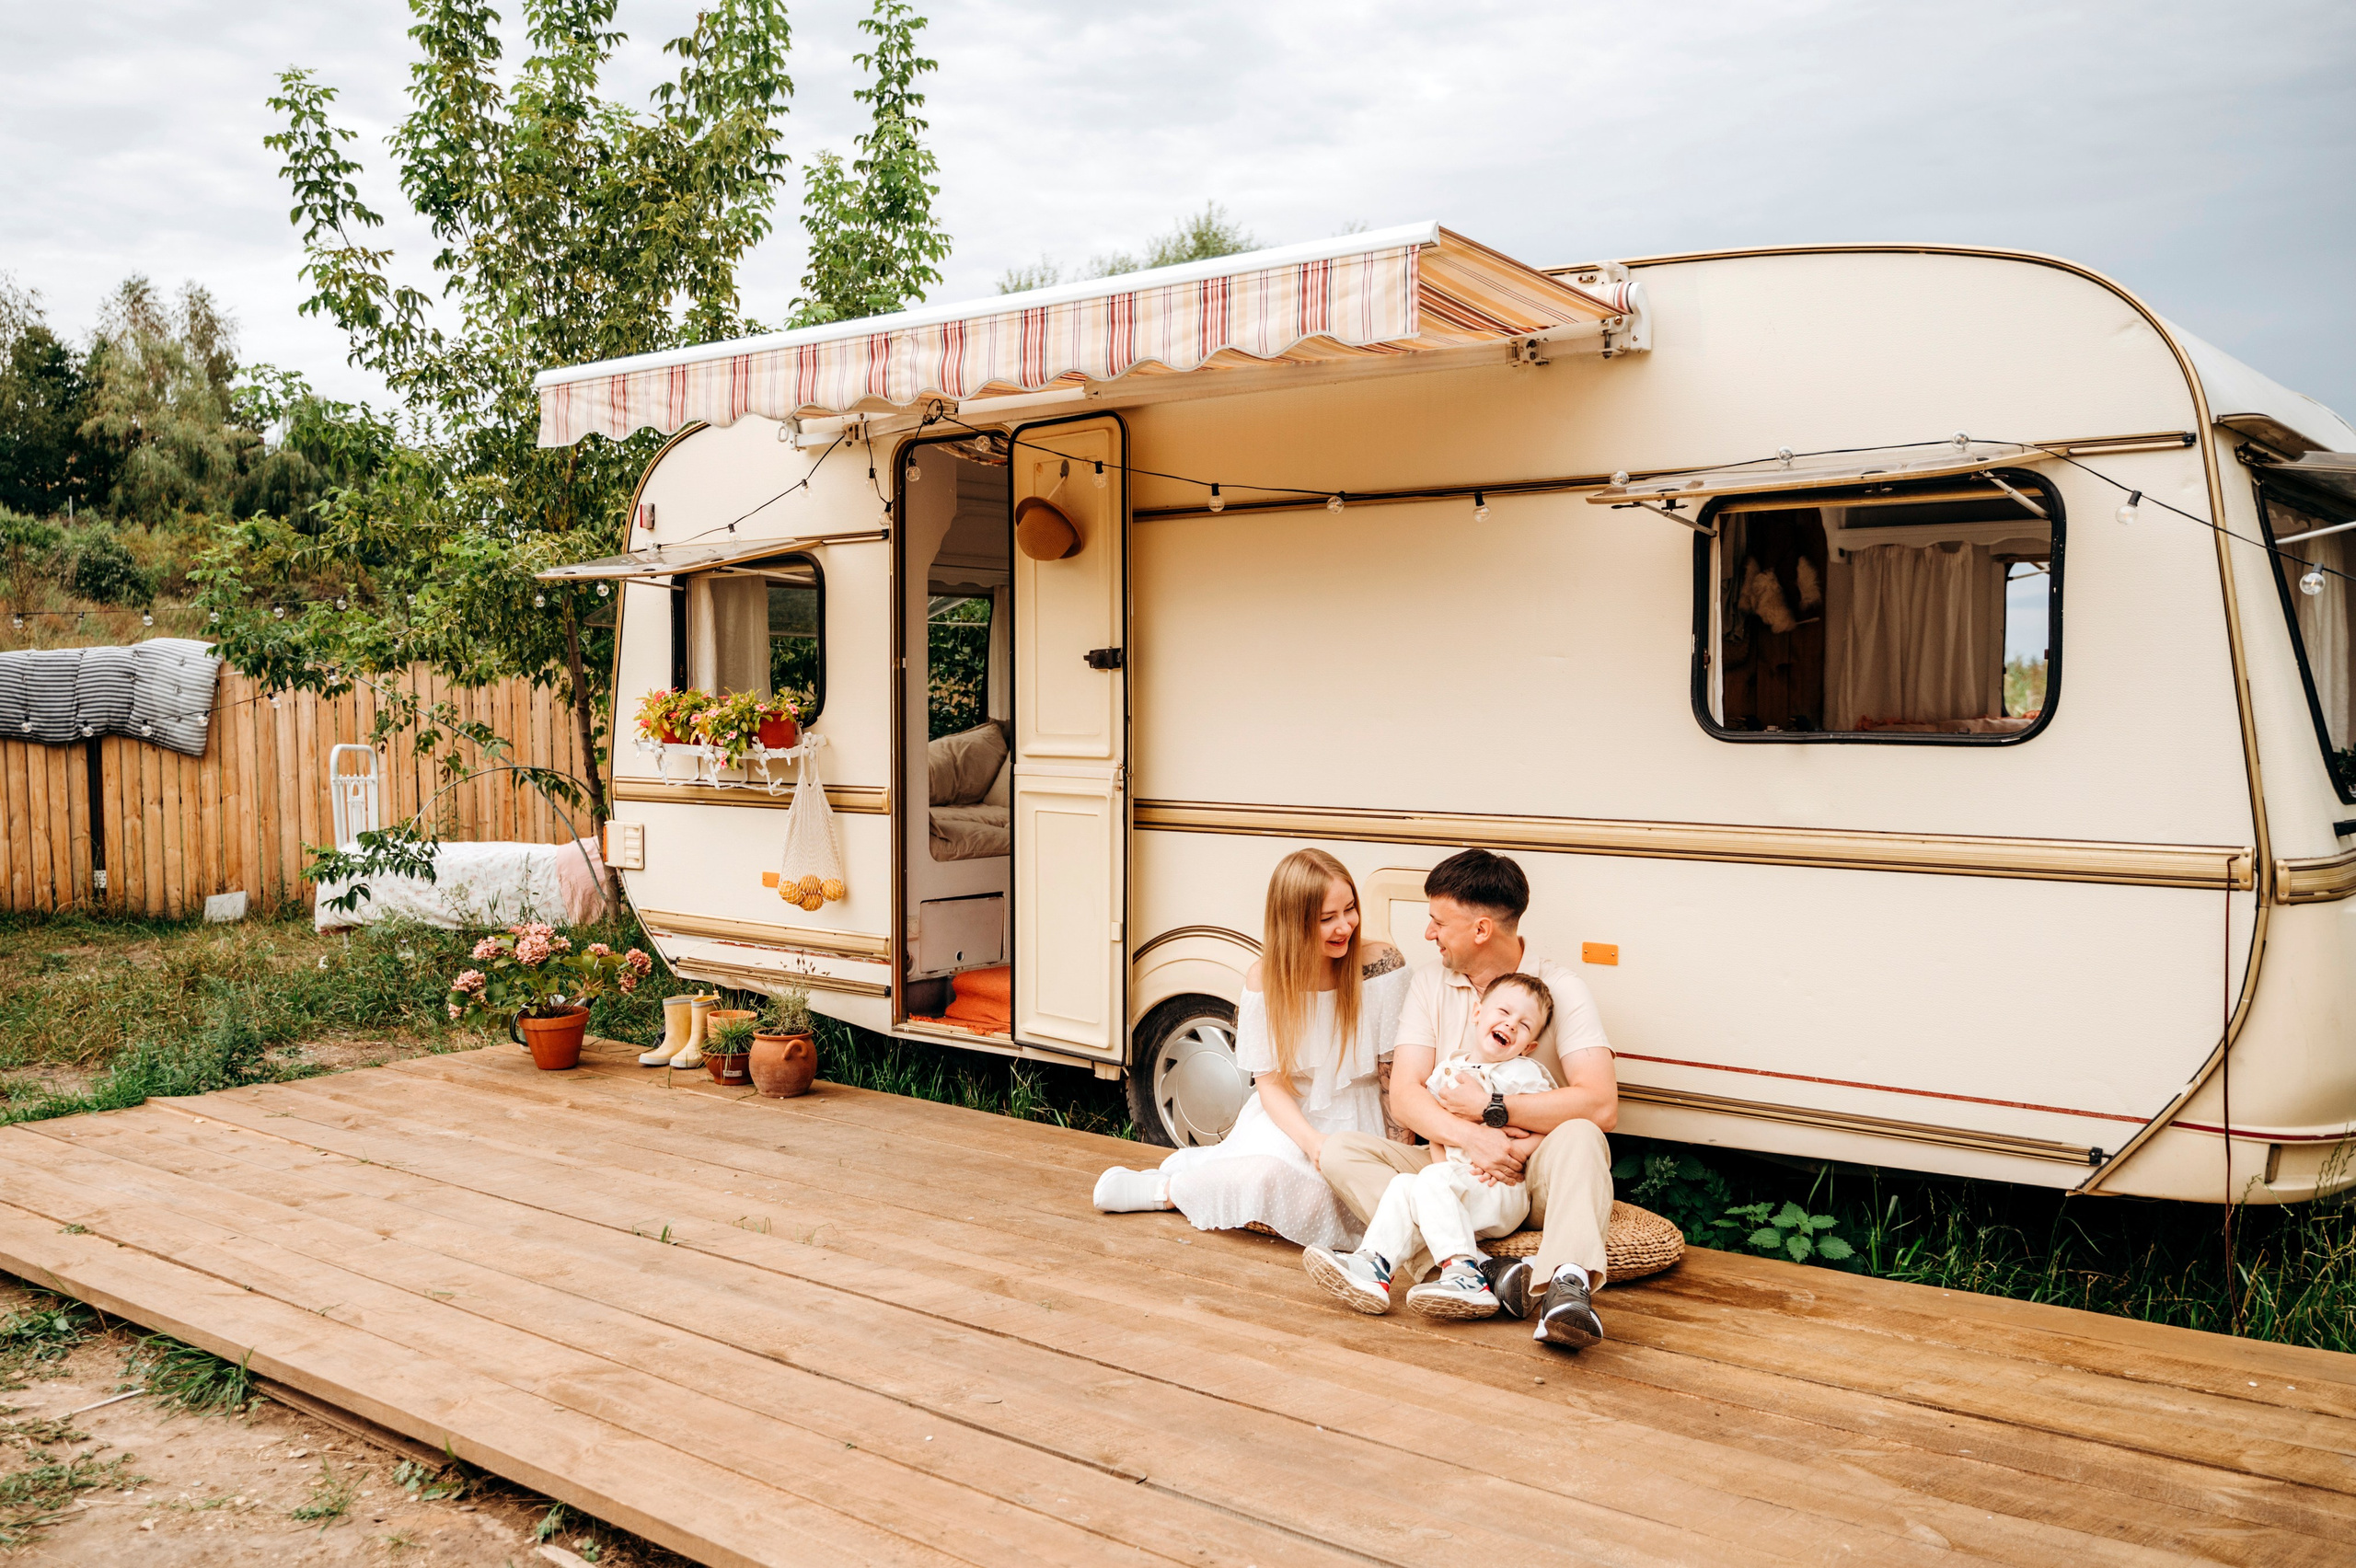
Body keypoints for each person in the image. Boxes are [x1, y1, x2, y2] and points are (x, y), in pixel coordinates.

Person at [1317, 848, 1619, 1350]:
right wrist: (1471, 1137)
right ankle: (1481, 1272)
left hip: (1532, 1167)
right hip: (1454, 1162)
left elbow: (1601, 1103)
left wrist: (1493, 1110)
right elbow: (1407, 1096)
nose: (1429, 933)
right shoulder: (1431, 983)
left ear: (1481, 930)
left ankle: (1566, 1288)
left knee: (1584, 1135)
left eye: (1438, 921)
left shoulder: (1559, 989)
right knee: (1339, 1151)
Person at [1092, 848, 1408, 1248]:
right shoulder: (1266, 979)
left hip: (1363, 1115)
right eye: (1327, 918)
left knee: (1336, 1196)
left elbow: (1393, 1072)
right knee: (1267, 1175)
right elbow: (1271, 1083)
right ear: (1292, 922)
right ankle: (1168, 1193)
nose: (1345, 926)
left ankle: (1189, 1186)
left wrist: (1400, 1160)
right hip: (1293, 1115)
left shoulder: (1382, 966)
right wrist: (1313, 1144)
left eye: (1350, 909)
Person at [1303, 973, 1558, 1319]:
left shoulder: (1524, 1073)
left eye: (1524, 1025)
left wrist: (1519, 1153)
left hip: (1499, 1187)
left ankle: (1465, 1274)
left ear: (1528, 1046)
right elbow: (1438, 1132)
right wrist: (1441, 1170)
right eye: (1504, 1012)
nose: (1510, 1025)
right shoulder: (1449, 1072)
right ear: (1477, 1012)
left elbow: (1550, 1125)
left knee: (1430, 1182)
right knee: (1406, 1184)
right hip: (1457, 1184)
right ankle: (1374, 1267)